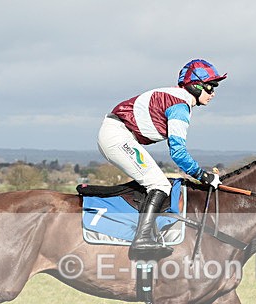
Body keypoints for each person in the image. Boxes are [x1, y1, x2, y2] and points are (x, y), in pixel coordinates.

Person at [97, 59, 226, 259]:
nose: (213, 93)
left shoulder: (177, 98)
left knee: (153, 181)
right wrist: (203, 176)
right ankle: (142, 238)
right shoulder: (180, 106)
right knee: (159, 184)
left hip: (118, 133)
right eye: (210, 87)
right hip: (118, 136)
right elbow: (178, 153)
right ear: (196, 85)